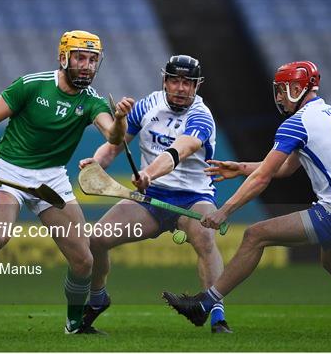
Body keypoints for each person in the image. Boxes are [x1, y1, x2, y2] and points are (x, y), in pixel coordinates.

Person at [162, 61, 331, 335]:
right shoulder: (330, 112)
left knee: (255, 235)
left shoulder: (296, 123)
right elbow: (287, 167)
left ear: (297, 88)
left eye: (281, 90)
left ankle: (204, 304)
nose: (278, 97)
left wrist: (224, 211)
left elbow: (264, 177)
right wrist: (241, 168)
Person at [0, 30, 135, 335]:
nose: (87, 66)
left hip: (53, 179)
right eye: (80, 58)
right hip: (10, 172)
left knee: (84, 260)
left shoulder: (93, 102)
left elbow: (114, 136)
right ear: (64, 58)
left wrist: (121, 118)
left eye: (93, 60)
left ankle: (74, 325)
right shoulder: (32, 85)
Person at [78, 55, 232, 333]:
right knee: (96, 240)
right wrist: (96, 162)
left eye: (188, 82)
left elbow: (179, 151)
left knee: (205, 239)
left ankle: (215, 314)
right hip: (149, 200)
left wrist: (150, 173)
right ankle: (98, 298)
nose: (181, 88)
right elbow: (115, 144)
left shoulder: (201, 116)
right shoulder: (148, 104)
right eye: (175, 80)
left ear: (198, 86)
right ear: (164, 80)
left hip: (193, 196)